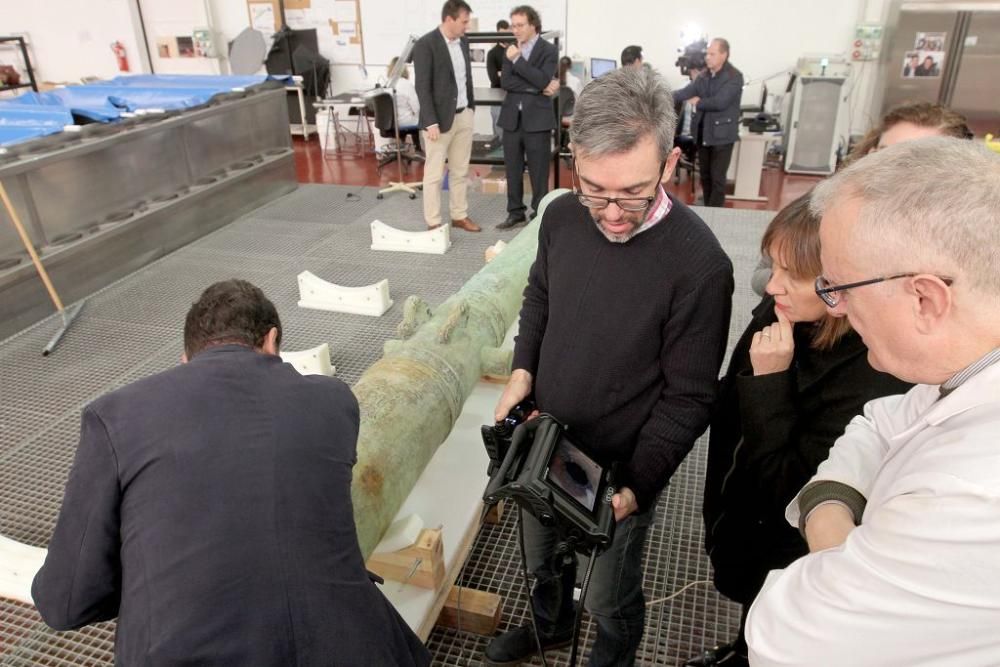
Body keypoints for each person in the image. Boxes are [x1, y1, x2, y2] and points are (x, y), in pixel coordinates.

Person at [31, 280, 431, 666]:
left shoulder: (115, 416)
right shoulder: (334, 400)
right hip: (351, 648)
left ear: (186, 358)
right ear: (272, 341)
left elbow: (66, 605)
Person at [485, 66, 734, 666]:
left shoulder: (701, 266)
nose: (613, 213)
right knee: (540, 561)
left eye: (633, 192)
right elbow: (540, 294)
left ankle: (610, 654)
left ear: (670, 164)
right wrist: (523, 369)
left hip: (618, 472)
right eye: (595, 188)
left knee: (606, 593)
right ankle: (553, 627)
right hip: (544, 437)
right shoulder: (564, 215)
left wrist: (637, 485)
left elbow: (689, 398)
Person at [745, 137, 1000, 665]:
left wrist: (829, 534)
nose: (837, 306)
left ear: (925, 297)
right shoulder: (960, 367)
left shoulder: (973, 500)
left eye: (840, 288)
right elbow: (879, 423)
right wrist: (840, 530)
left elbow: (786, 635)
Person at [684, 194, 911, 667]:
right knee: (752, 605)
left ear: (841, 285)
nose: (771, 287)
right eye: (773, 266)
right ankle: (741, 645)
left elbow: (792, 488)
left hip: (786, 538)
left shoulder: (874, 375)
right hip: (737, 494)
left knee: (775, 607)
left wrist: (769, 383)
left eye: (793, 275)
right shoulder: (787, 310)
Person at [751, 102, 972, 296]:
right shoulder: (825, 206)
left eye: (916, 162)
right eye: (885, 154)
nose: (891, 169)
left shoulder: (961, 249)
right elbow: (762, 275)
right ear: (870, 151)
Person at [413, 0, 480, 232]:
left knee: (460, 170)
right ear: (449, 19)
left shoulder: (463, 42)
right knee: (433, 175)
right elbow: (422, 86)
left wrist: (471, 107)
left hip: (464, 115)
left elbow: (465, 79)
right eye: (464, 21)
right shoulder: (425, 45)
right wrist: (430, 120)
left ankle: (459, 215)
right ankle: (433, 222)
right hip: (438, 122)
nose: (467, 26)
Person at [495, 5, 558, 230]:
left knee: (539, 170)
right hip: (511, 118)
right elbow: (507, 83)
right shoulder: (509, 49)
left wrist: (518, 61)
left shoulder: (548, 50)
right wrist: (535, 86)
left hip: (537, 120)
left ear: (533, 25)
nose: (515, 30)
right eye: (513, 25)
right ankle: (515, 212)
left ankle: (539, 214)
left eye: (520, 25)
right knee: (512, 169)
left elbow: (543, 79)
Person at [673, 38, 743, 207]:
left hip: (722, 137)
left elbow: (721, 102)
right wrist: (658, 95)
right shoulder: (704, 75)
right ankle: (709, 208)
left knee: (717, 179)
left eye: (712, 54)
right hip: (703, 134)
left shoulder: (734, 77)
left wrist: (698, 102)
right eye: (707, 54)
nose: (708, 57)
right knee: (705, 177)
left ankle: (716, 213)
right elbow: (685, 92)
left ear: (724, 55)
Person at [387, 56, 421, 152]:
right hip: (404, 122)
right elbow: (416, 107)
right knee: (418, 119)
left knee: (406, 117)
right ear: (404, 69)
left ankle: (401, 145)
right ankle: (417, 149)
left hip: (388, 123)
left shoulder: (386, 83)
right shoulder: (406, 84)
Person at [487, 19, 511, 142]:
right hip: (497, 95)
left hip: (513, 95)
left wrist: (502, 73)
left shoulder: (514, 50)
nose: (505, 36)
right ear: (497, 33)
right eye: (502, 33)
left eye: (508, 33)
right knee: (498, 130)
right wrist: (509, 74)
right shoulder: (492, 53)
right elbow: (494, 78)